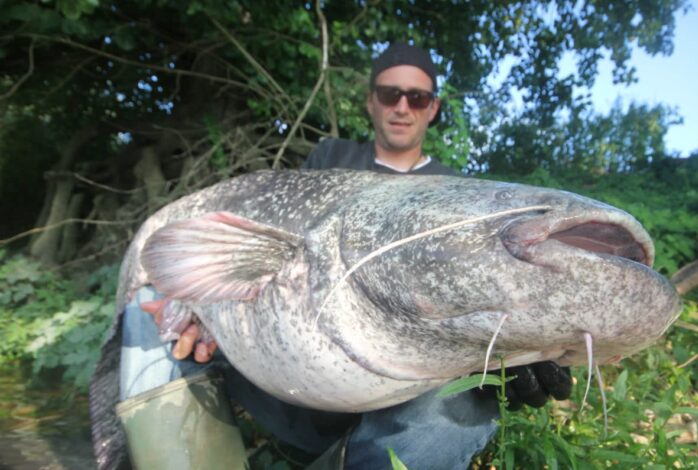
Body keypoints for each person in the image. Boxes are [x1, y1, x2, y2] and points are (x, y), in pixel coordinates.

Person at [118, 43, 572, 470]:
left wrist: (521, 351)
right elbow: (272, 266)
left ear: (432, 108)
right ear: (371, 102)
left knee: (458, 415)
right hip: (288, 375)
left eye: (417, 97)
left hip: (403, 398)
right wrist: (205, 300)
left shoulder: (456, 193)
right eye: (390, 94)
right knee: (147, 310)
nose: (401, 107)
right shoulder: (330, 158)